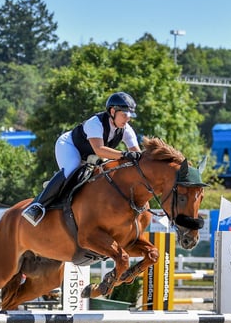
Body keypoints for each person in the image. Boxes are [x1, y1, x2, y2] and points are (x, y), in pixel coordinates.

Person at [22, 91, 142, 226]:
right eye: (124, 114)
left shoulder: (126, 129)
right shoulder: (96, 123)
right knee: (72, 168)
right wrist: (125, 155)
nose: (128, 119)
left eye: (130, 115)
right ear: (113, 111)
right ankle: (38, 205)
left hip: (91, 156)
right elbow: (99, 150)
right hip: (70, 146)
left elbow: (137, 155)